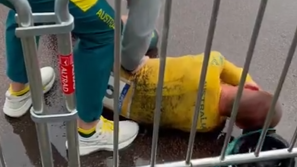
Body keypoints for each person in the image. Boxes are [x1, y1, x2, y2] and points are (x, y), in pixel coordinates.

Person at [0, 0, 174, 157]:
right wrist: (131, 57)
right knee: (105, 31)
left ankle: (20, 91)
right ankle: (88, 131)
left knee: (26, 4)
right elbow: (146, 2)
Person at [103, 51, 282, 133]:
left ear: (249, 88)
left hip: (117, 64)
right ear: (240, 124)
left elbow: (225, 64)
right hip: (114, 104)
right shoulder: (207, 125)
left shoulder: (211, 66)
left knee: (150, 37)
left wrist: (249, 81)